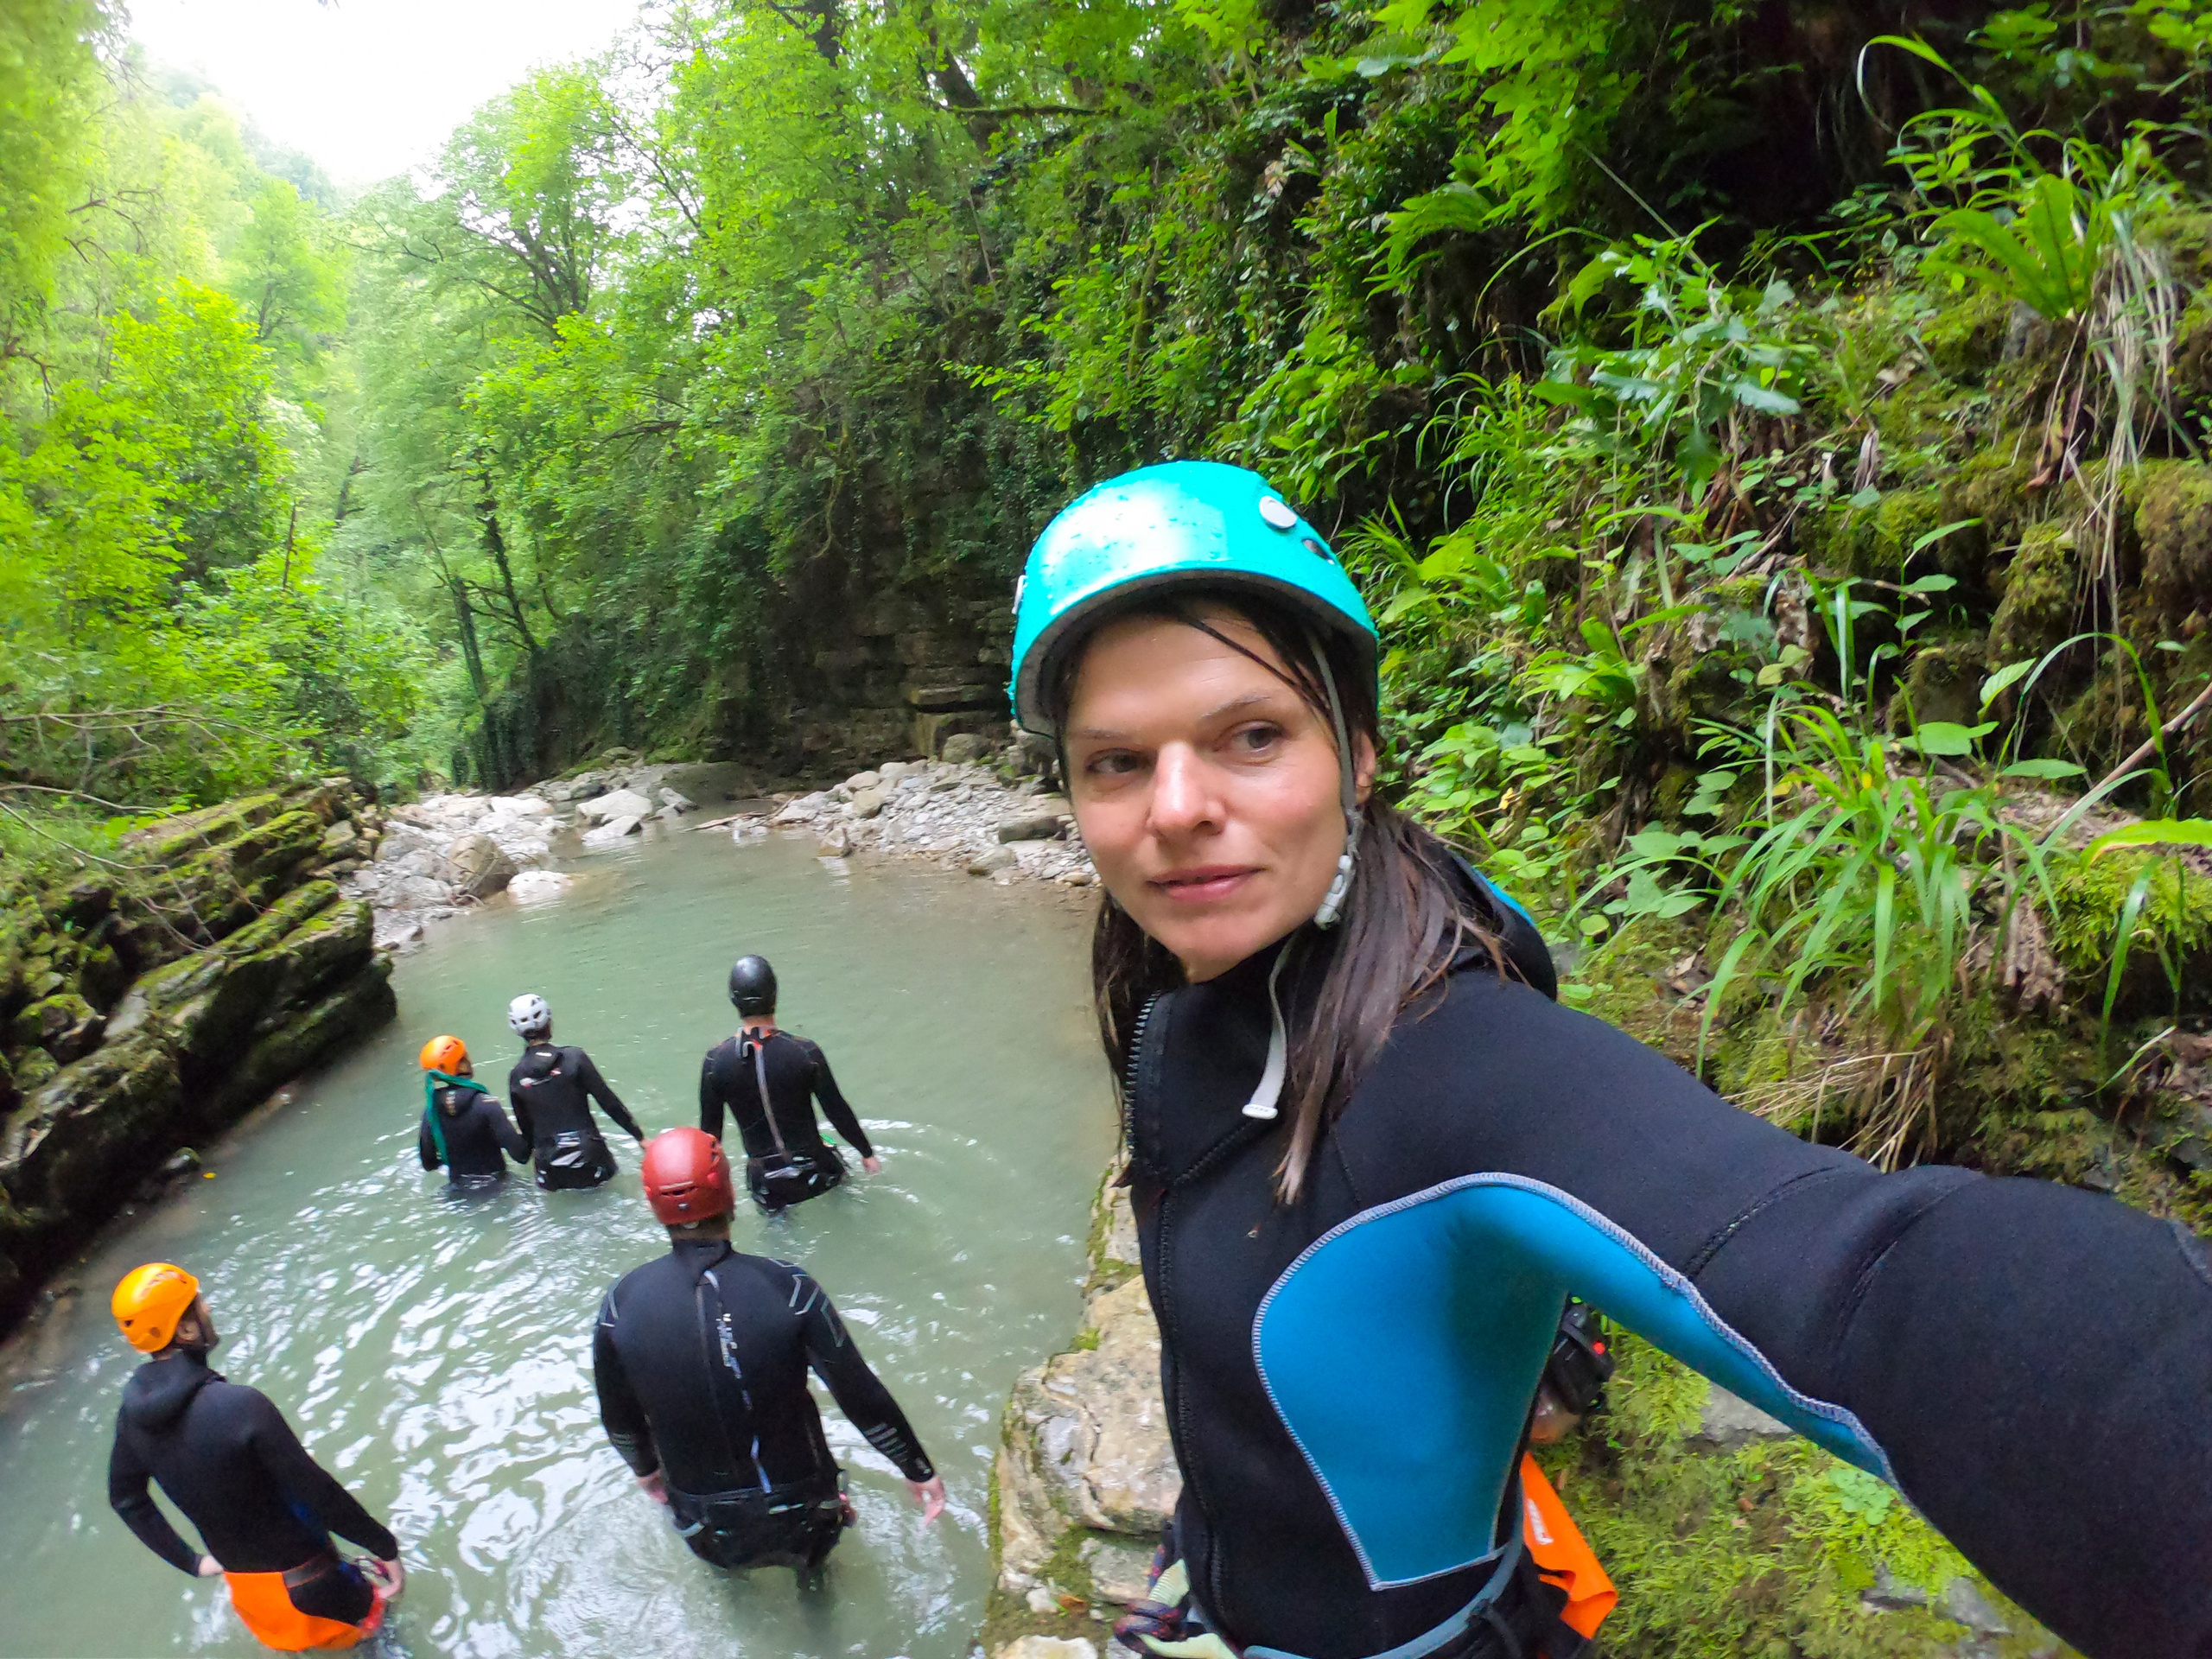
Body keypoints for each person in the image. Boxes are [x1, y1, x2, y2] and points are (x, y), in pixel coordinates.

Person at [1007, 459, 2212, 1659]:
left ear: (1358, 753)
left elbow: (1868, 1277)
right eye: (1117, 761)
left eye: (1251, 736)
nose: (1173, 809)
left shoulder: (1455, 1060)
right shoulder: (1179, 1001)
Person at [591, 1128, 945, 1580]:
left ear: (652, 1205)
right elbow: (858, 1392)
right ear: (729, 1192)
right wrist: (917, 1469)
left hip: (703, 1514)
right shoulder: (789, 1287)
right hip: (801, 1504)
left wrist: (645, 1471)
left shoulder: (621, 1304)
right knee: (814, 1575)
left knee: (725, 1573)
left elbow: (618, 1416)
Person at [106, 1263, 404, 1652]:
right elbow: (320, 1494)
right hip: (317, 1588)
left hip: (253, 1599)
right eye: (198, 1304)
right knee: (384, 1641)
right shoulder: (242, 1407)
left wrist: (193, 1563)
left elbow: (126, 1500)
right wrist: (386, 1549)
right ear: (184, 1330)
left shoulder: (132, 1420)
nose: (208, 1309)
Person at [698, 956, 880, 1212]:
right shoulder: (804, 1052)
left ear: (733, 1000)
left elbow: (710, 1138)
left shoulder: (715, 1061)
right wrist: (867, 1153)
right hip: (817, 1171)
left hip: (766, 1184)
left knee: (778, 1229)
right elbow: (836, 1111)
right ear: (775, 996)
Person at [505, 992, 645, 1190]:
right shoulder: (574, 1058)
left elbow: (527, 1137)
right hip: (590, 1156)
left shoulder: (516, 1077)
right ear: (549, 1021)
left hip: (550, 1169)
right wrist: (640, 1137)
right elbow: (609, 1102)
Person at [416, 1033, 531, 1188]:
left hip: (458, 1192)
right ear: (460, 1064)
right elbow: (521, 1155)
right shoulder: (486, 1104)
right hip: (498, 1188)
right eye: (464, 1056)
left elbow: (428, 1164)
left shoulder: (432, 1111)